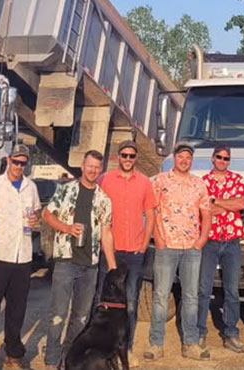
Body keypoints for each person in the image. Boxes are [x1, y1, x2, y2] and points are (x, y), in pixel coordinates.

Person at [41, 150, 118, 368]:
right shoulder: (65, 190)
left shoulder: (104, 199)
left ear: (100, 170)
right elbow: (47, 215)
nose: (93, 170)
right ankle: (51, 361)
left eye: (97, 167)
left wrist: (112, 266)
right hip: (66, 262)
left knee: (82, 318)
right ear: (82, 167)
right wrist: (66, 228)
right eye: (89, 166)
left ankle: (68, 359)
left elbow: (106, 232)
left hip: (90, 266)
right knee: (58, 315)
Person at [144, 143, 212, 362]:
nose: (184, 160)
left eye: (188, 157)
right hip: (167, 247)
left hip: (191, 249)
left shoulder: (199, 184)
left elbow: (207, 214)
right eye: (181, 156)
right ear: (174, 158)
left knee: (191, 297)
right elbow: (152, 210)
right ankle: (156, 344)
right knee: (161, 296)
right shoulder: (160, 181)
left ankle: (190, 343)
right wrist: (158, 238)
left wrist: (201, 240)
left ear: (192, 161)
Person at [0, 146, 41, 369]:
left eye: (23, 163)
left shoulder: (31, 187)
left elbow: (35, 213)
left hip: (23, 256)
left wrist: (36, 221)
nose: (18, 167)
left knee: (17, 309)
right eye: (15, 162)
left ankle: (13, 353)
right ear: (8, 160)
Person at [96, 140, 157, 354]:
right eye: (124, 155)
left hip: (134, 253)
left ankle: (126, 348)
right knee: (103, 301)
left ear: (136, 158)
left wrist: (144, 242)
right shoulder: (105, 180)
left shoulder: (144, 182)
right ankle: (103, 346)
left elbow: (150, 214)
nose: (128, 159)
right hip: (111, 251)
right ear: (118, 157)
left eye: (132, 156)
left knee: (130, 302)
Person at [196, 145, 244, 353]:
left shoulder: (237, 179)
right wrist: (228, 204)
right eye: (219, 157)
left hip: (232, 242)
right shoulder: (202, 183)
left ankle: (231, 333)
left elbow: (241, 204)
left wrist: (216, 201)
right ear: (212, 158)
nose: (222, 161)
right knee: (203, 288)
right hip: (209, 240)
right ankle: (200, 332)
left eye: (226, 158)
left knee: (232, 290)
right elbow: (203, 209)